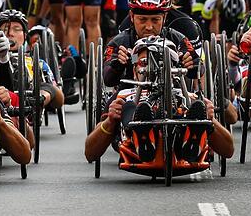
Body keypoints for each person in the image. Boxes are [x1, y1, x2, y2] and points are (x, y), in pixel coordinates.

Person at [84, 36, 233, 168]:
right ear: (134, 69)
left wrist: (210, 119)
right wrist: (110, 121)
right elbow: (90, 153)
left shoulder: (189, 96)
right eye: (144, 62)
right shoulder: (122, 95)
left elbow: (229, 151)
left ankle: (191, 140)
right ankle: (143, 139)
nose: (152, 68)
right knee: (129, 107)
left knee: (198, 107)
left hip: (179, 145)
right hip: (134, 144)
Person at [103, 0, 196, 88]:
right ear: (132, 17)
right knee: (113, 105)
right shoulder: (118, 42)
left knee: (204, 104)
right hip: (129, 98)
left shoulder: (178, 39)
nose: (149, 27)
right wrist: (118, 66)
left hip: (173, 96)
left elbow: (199, 69)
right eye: (142, 19)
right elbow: (107, 80)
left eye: (155, 20)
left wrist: (191, 65)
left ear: (164, 18)